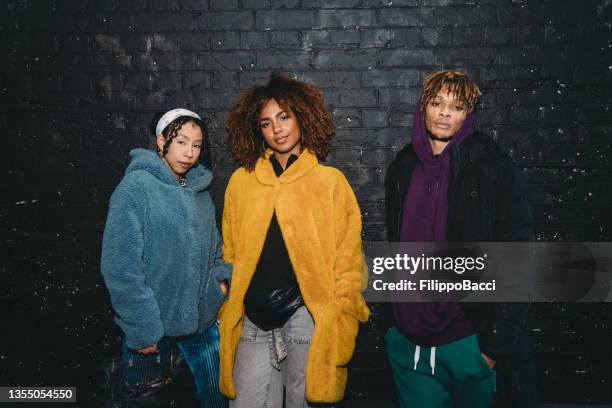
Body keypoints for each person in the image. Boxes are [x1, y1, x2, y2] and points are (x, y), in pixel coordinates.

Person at [384, 70, 538, 408]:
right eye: (437, 103)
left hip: (468, 336)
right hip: (408, 340)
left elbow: (518, 254)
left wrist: (494, 345)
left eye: (456, 106)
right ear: (423, 107)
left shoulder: (492, 165)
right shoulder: (402, 167)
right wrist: (392, 324)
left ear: (468, 113)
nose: (444, 112)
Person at [218, 72, 370, 408]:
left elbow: (348, 259)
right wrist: (226, 301)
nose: (277, 129)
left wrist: (343, 314)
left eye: (284, 117)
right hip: (252, 315)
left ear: (302, 116)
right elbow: (228, 251)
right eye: (266, 122)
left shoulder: (330, 182)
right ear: (256, 130)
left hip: (307, 314)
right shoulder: (241, 183)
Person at [101, 108, 231, 407]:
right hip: (151, 332)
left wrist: (219, 286)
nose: (189, 152)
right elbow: (120, 266)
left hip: (202, 323)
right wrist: (142, 328)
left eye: (196, 145)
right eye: (181, 141)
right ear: (161, 141)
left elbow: (215, 249)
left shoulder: (199, 191)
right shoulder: (135, 188)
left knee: (218, 400)